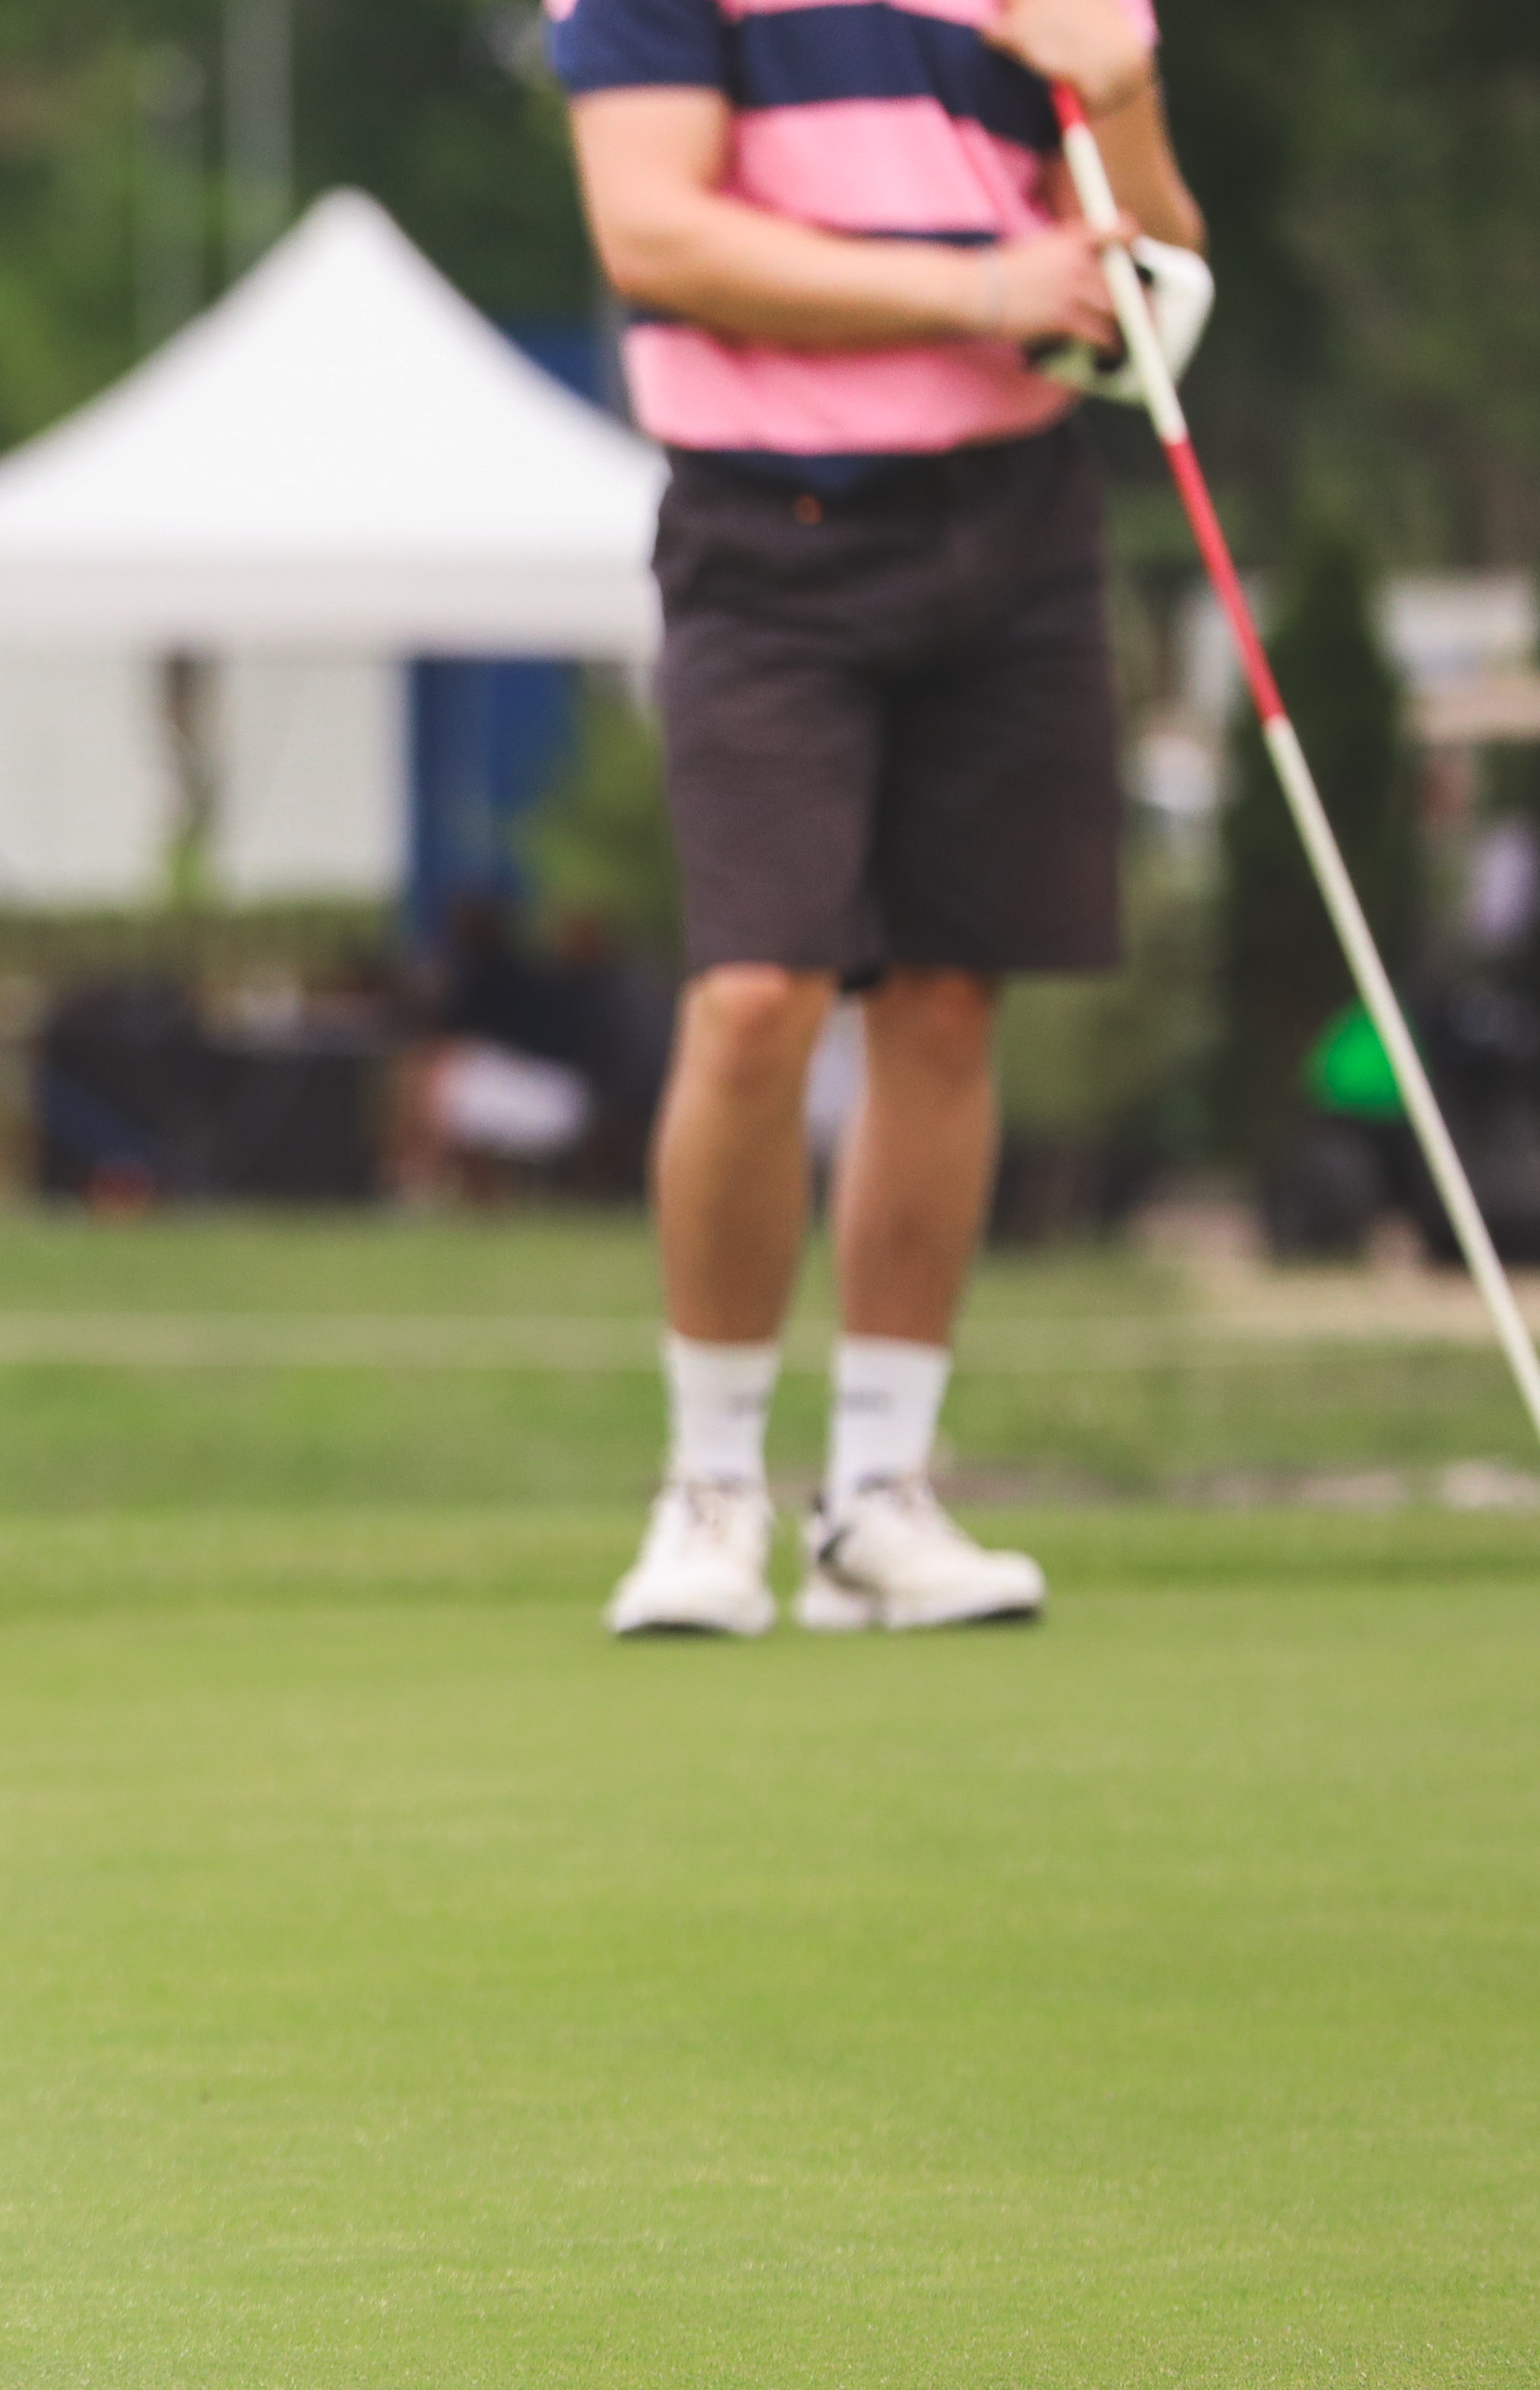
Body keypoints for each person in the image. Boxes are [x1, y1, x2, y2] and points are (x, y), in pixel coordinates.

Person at [551, 0, 1203, 1635]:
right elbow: (652, 234)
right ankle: (710, 1493)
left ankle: (878, 1497)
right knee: (754, 992)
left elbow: (1145, 285)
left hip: (1014, 522)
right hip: (766, 531)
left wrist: (1113, 92)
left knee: (943, 992)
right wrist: (978, 289)